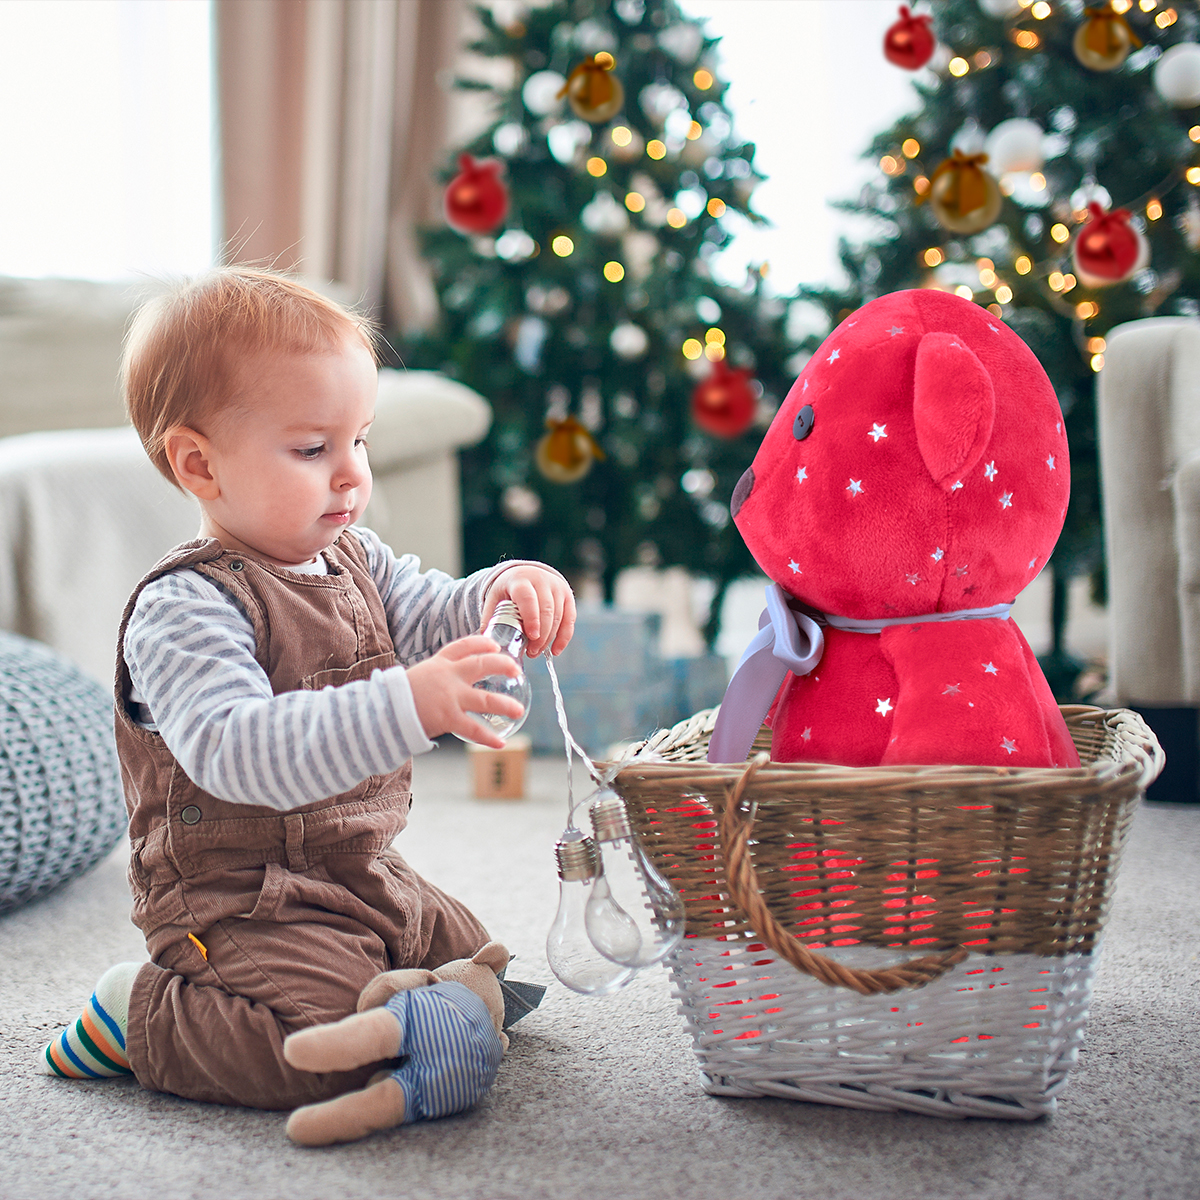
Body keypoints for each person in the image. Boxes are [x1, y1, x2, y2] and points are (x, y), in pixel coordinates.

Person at [37, 268, 575, 1109]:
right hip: (239, 900)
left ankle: (380, 979)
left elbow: (437, 613)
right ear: (198, 464)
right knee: (328, 1052)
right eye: (313, 449)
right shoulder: (185, 607)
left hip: (357, 866)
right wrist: (412, 702)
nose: (352, 473)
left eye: (359, 439)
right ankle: (140, 1010)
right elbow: (237, 751)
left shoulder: (354, 557)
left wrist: (505, 588)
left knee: (484, 975)